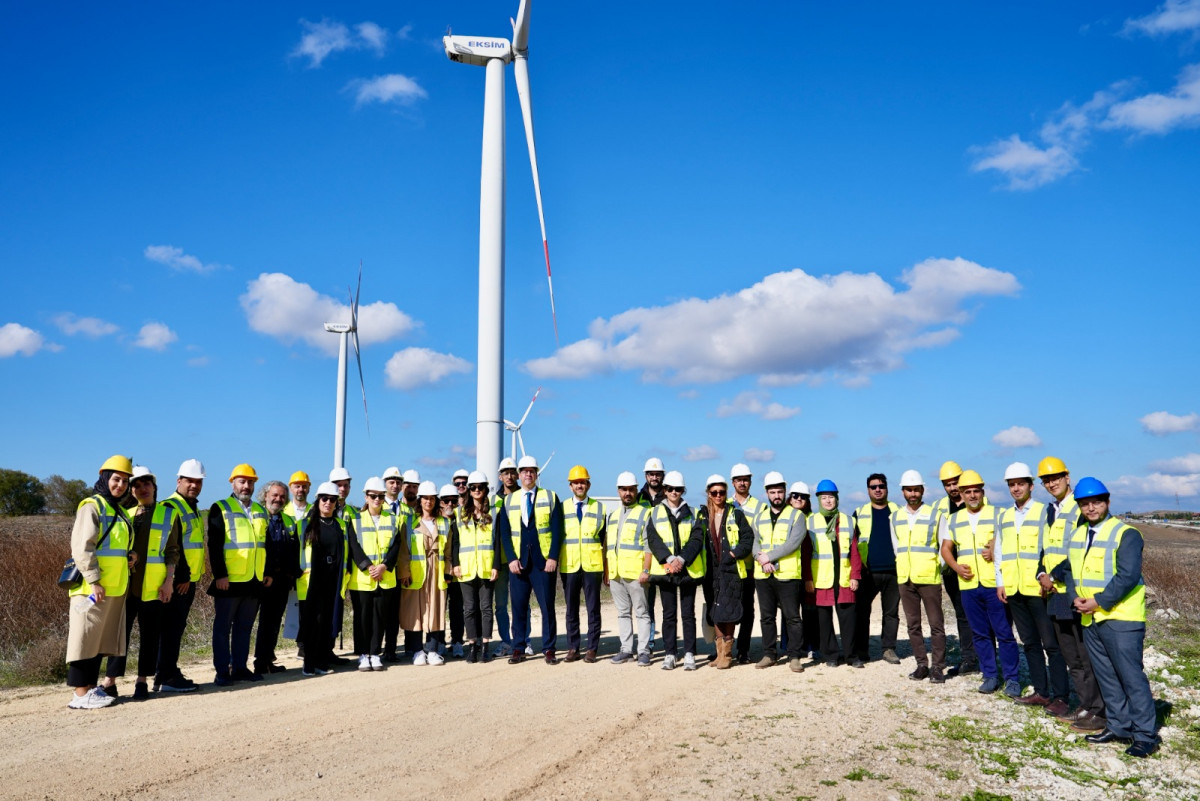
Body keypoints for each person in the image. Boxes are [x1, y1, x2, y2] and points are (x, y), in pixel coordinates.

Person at [1058, 478, 1159, 758]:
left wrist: (1098, 601)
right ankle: (1118, 726)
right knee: (1107, 677)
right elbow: (1070, 571)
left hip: (1121, 618)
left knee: (1131, 677)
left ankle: (1145, 735)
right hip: (1090, 618)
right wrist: (1074, 598)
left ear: (1108, 502)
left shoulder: (1126, 534)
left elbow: (1128, 575)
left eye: (1097, 502)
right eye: (1085, 504)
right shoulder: (1078, 535)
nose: (1091, 508)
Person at [1036, 456, 1106, 729]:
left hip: (1075, 590)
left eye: (1055, 477)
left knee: (1085, 654)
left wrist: (1053, 575)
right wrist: (1042, 574)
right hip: (1056, 594)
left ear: (1067, 477)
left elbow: (1079, 551)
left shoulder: (1078, 509)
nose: (1051, 483)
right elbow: (1047, 550)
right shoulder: (1050, 511)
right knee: (1071, 655)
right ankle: (1085, 705)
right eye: (1046, 480)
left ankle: (1099, 710)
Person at [99, 466, 179, 700]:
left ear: (154, 487)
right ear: (131, 491)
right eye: (136, 485)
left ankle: (142, 681)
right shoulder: (125, 514)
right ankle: (109, 681)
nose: (142, 488)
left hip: (153, 587)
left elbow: (173, 551)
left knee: (150, 636)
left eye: (146, 484)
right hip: (125, 586)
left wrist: (169, 581)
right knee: (119, 635)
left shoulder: (169, 514)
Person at [940, 470, 1020, 696]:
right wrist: (956, 567)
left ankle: (1012, 679)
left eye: (976, 491)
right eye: (967, 492)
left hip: (995, 584)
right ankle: (990, 675)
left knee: (1004, 633)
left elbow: (1011, 538)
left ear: (983, 492)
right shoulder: (954, 519)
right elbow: (945, 549)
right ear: (962, 494)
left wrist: (995, 544)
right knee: (980, 634)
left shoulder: (999, 514)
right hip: (968, 586)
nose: (972, 495)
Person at [996, 462, 1068, 710]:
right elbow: (999, 550)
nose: (1016, 488)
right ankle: (1041, 692)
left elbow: (1049, 547)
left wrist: (1046, 576)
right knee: (1030, 643)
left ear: (1031, 486)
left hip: (1039, 589)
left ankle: (1061, 696)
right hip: (1014, 588)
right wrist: (1000, 582)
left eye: (1020, 484)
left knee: (1052, 645)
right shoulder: (1004, 516)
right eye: (1012, 485)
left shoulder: (1043, 511)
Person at [65, 455, 134, 709]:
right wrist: (94, 580)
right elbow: (82, 547)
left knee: (96, 641)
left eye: (125, 481)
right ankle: (80, 694)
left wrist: (132, 556)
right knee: (84, 638)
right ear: (104, 478)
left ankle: (90, 689)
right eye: (116, 479)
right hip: (91, 588)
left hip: (112, 588)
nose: (120, 485)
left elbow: (115, 546)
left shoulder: (118, 510)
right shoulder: (92, 506)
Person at [498, 455, 565, 664]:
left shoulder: (550, 496)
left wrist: (553, 557)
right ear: (519, 475)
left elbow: (558, 530)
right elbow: (505, 533)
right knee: (518, 607)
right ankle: (518, 648)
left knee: (547, 608)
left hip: (543, 563)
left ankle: (549, 649)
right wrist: (511, 558)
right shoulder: (509, 500)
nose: (528, 474)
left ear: (536, 474)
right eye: (525, 471)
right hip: (519, 563)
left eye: (532, 471)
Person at [207, 463, 267, 686]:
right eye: (242, 481)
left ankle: (240, 668)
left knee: (244, 628)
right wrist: (220, 575)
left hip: (254, 580)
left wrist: (266, 573)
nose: (246, 486)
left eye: (250, 482)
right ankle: (222, 671)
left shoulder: (260, 510)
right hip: (229, 581)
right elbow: (214, 545)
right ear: (232, 483)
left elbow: (265, 544)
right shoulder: (220, 507)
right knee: (222, 629)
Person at [645, 471, 706, 671]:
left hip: (687, 570)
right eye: (670, 489)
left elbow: (697, 539)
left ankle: (689, 653)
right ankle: (670, 653)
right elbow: (653, 539)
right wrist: (670, 559)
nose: (674, 492)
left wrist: (681, 559)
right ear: (665, 490)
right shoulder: (654, 512)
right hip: (666, 570)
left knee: (688, 614)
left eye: (678, 489)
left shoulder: (694, 513)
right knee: (669, 614)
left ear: (683, 490)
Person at [154, 459, 206, 693]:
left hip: (187, 579)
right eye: (189, 481)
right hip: (177, 580)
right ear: (179, 481)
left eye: (198, 481)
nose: (194, 485)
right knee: (171, 628)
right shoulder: (171, 506)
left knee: (175, 627)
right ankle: (167, 675)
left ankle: (165, 672)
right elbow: (173, 545)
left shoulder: (191, 506)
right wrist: (182, 576)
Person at [892, 470, 946, 683]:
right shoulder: (895, 517)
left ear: (922, 490)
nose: (912, 494)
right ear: (903, 492)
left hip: (929, 578)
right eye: (909, 490)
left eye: (916, 489)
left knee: (936, 624)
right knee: (913, 625)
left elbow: (943, 547)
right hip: (905, 578)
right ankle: (922, 664)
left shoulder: (935, 515)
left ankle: (938, 667)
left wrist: (935, 566)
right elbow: (897, 547)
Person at [751, 471, 806, 672]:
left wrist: (769, 556)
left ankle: (794, 656)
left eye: (780, 492)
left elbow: (793, 543)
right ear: (767, 493)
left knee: (793, 617)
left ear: (785, 492)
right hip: (764, 574)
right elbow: (754, 542)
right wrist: (760, 558)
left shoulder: (797, 516)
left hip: (788, 575)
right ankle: (769, 654)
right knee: (767, 617)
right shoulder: (759, 517)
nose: (776, 496)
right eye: (773, 492)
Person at [803, 480, 862, 668]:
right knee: (824, 621)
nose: (828, 501)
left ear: (837, 498)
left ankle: (852, 656)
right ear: (819, 500)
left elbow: (855, 551)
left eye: (831, 497)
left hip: (844, 577)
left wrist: (855, 575)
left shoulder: (848, 521)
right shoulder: (810, 522)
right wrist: (808, 579)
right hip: (821, 578)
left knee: (849, 620)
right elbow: (806, 553)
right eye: (824, 498)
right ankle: (831, 656)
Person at [349, 477, 402, 671]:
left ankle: (375, 653)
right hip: (363, 579)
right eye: (373, 496)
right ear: (366, 497)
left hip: (384, 577)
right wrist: (368, 566)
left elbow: (396, 546)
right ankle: (363, 654)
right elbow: (353, 546)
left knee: (380, 618)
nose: (377, 499)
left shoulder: (393, 519)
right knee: (362, 618)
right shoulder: (355, 519)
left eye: (380, 496)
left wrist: (384, 566)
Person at [297, 482, 351, 676]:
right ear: (318, 500)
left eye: (332, 500)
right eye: (324, 499)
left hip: (333, 579)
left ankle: (321, 661)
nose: (328, 503)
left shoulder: (341, 525)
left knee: (328, 621)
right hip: (311, 581)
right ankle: (309, 663)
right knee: (312, 622)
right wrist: (296, 571)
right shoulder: (304, 524)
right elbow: (293, 551)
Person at [400, 481, 453, 665]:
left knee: (436, 610)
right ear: (420, 500)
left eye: (431, 498)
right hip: (416, 573)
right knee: (415, 612)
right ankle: (417, 651)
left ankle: (432, 650)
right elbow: (404, 550)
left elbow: (449, 551)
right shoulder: (410, 523)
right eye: (425, 498)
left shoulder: (445, 523)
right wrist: (404, 571)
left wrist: (448, 572)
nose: (428, 502)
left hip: (437, 573)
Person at [450, 471, 499, 663]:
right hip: (467, 567)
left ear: (486, 489)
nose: (477, 490)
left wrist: (496, 565)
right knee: (469, 609)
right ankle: (472, 646)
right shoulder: (459, 513)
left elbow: (497, 541)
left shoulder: (494, 512)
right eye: (473, 487)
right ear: (469, 490)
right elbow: (455, 542)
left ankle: (485, 646)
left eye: (480, 487)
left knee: (486, 608)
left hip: (486, 566)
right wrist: (455, 564)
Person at [559, 465, 606, 662]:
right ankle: (573, 648)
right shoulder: (561, 508)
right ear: (570, 486)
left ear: (588, 485)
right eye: (576, 483)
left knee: (593, 608)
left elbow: (604, 539)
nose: (579, 485)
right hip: (569, 565)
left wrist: (606, 567)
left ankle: (592, 648)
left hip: (592, 565)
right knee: (571, 609)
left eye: (583, 482)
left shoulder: (600, 508)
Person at [853, 473, 901, 665]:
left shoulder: (898, 511)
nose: (878, 489)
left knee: (891, 613)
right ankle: (861, 651)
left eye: (881, 486)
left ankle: (888, 649)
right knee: (862, 611)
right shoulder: (859, 512)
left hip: (894, 571)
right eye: (873, 487)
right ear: (868, 490)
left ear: (887, 488)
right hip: (868, 572)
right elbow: (853, 543)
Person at [935, 460, 978, 677]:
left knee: (980, 613)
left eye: (955, 482)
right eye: (947, 484)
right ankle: (969, 659)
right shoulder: (939, 508)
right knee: (962, 614)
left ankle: (984, 657)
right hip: (952, 571)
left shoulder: (978, 501)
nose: (952, 487)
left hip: (976, 569)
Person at [253, 480, 300, 676]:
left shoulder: (288, 520)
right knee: (253, 623)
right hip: (260, 579)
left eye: (282, 496)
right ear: (265, 496)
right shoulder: (257, 516)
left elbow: (293, 549)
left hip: (281, 581)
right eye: (274, 495)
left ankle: (266, 661)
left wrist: (292, 574)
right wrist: (268, 572)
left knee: (272, 623)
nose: (278, 499)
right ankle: (245, 664)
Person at [606, 472, 653, 666]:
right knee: (622, 613)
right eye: (624, 490)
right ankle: (626, 649)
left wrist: (646, 570)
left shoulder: (645, 513)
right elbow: (609, 546)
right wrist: (608, 571)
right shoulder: (613, 515)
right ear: (618, 491)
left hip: (636, 574)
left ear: (636, 491)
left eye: (631, 490)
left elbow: (649, 546)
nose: (627, 493)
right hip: (616, 573)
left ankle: (643, 651)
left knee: (642, 612)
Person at [728, 463, 760, 664]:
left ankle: (743, 650)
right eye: (738, 480)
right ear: (733, 482)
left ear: (750, 481)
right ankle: (725, 649)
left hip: (749, 566)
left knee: (747, 609)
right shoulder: (724, 503)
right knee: (728, 608)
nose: (742, 483)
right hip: (729, 567)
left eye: (745, 479)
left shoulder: (759, 506)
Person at [492, 456, 523, 657]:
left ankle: (523, 640)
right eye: (506, 473)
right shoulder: (492, 501)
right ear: (500, 476)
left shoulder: (524, 496)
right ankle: (505, 641)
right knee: (501, 605)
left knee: (521, 603)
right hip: (499, 561)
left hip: (519, 558)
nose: (509, 476)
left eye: (512, 472)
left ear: (517, 475)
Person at [638, 457, 667, 654]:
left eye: (657, 474)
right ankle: (648, 642)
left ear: (662, 476)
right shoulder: (638, 497)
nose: (654, 477)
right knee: (647, 604)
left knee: (667, 604)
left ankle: (669, 642)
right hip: (646, 559)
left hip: (664, 558)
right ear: (646, 475)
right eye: (651, 474)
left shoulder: (670, 495)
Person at [789, 481, 820, 658]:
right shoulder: (784, 518)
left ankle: (810, 646)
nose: (799, 499)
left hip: (809, 572)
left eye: (803, 496)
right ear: (790, 498)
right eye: (795, 496)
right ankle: (790, 646)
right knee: (790, 613)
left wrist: (809, 577)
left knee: (809, 611)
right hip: (789, 572)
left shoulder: (813, 520)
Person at [441, 483, 467, 658]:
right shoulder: (435, 520)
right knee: (439, 609)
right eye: (446, 500)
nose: (450, 504)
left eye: (453, 500)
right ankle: (439, 642)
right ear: (440, 502)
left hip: (458, 572)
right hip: (440, 573)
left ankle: (457, 641)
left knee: (457, 609)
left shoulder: (463, 519)